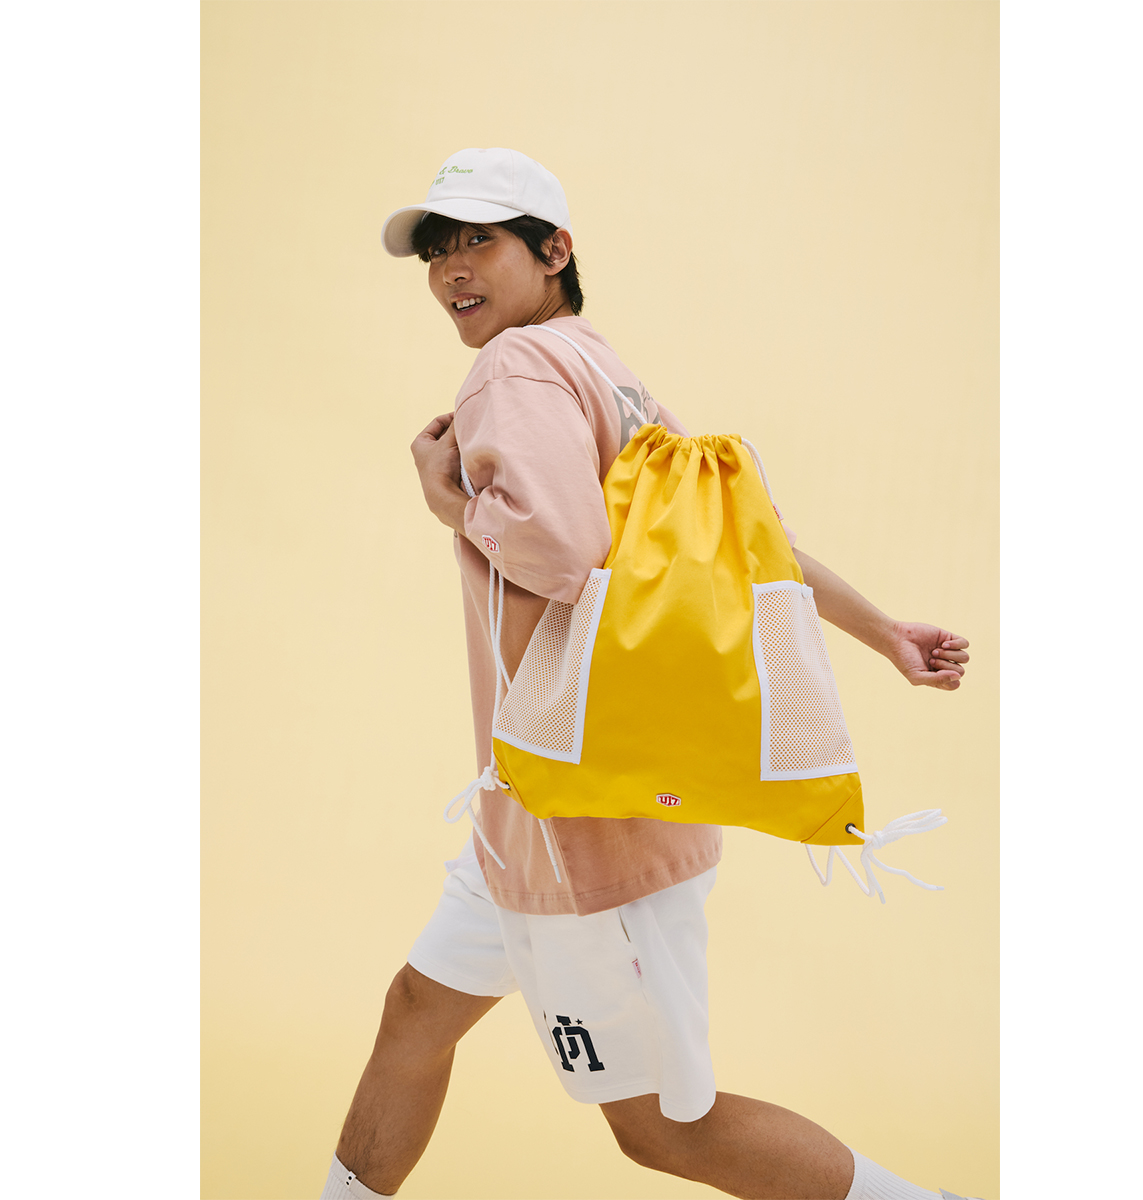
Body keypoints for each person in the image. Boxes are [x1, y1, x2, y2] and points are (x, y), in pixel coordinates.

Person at [320, 147, 978, 1200]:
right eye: (437, 250)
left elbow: (559, 549)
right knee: (417, 1012)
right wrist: (882, 630)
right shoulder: (605, 371)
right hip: (538, 804)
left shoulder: (517, 366)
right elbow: (746, 543)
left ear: (554, 250)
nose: (451, 269)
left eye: (479, 239)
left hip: (580, 818)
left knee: (667, 1128)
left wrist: (449, 504)